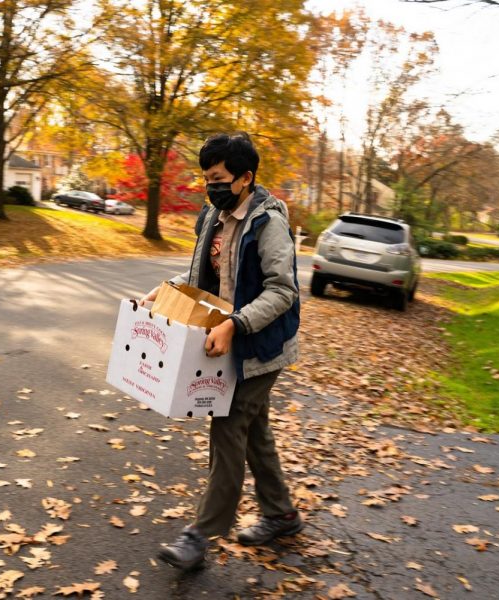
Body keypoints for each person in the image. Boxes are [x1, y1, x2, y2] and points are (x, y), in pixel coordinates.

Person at [140, 132, 302, 571]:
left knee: (229, 426)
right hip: (229, 338)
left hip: (263, 345)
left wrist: (235, 324)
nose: (209, 186)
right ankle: (281, 513)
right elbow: (203, 274)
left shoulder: (270, 224)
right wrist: (166, 289)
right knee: (254, 432)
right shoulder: (212, 215)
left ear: (245, 178)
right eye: (205, 178)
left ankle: (199, 535)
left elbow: (282, 290)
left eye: (217, 178)